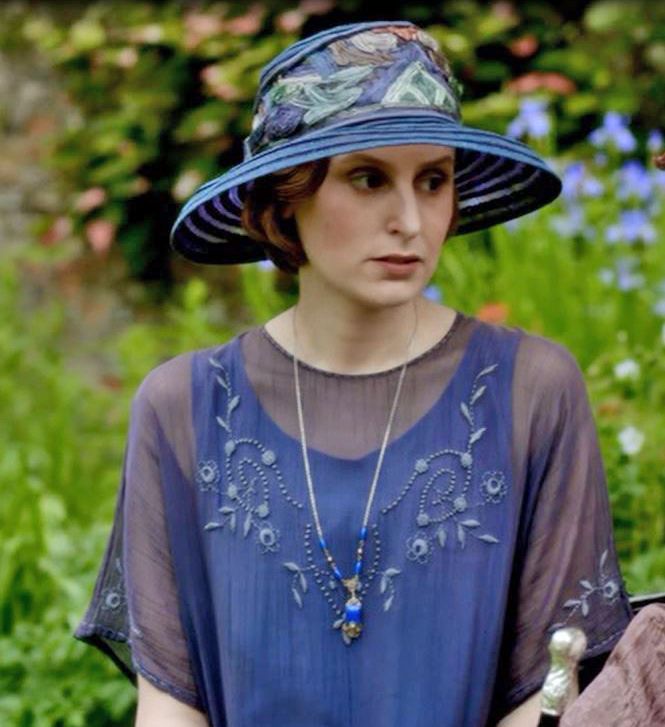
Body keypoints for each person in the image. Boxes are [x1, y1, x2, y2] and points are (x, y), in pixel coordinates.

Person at [73, 20, 633, 727]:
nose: (409, 219)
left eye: (432, 180)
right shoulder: (182, 408)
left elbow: (550, 689)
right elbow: (170, 703)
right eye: (367, 178)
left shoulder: (529, 390)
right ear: (287, 197)